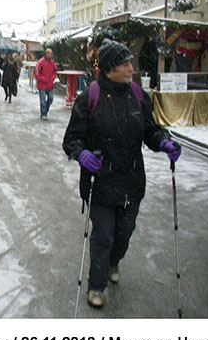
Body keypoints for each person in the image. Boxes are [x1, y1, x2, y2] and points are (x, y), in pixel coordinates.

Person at [62, 39, 182, 309]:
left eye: (130, 62)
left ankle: (114, 261)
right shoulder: (90, 97)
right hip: (100, 180)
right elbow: (72, 138)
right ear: (109, 68)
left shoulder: (138, 95)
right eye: (125, 63)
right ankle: (96, 286)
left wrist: (163, 141)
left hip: (131, 180)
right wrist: (81, 154)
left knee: (124, 233)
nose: (131, 68)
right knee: (103, 233)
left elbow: (150, 130)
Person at [34, 48, 58, 120]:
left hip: (50, 84)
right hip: (42, 84)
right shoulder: (41, 62)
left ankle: (45, 111)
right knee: (43, 100)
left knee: (51, 98)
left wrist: (52, 78)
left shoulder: (52, 63)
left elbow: (55, 70)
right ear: (47, 54)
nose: (52, 55)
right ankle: (43, 113)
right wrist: (42, 79)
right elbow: (36, 73)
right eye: (50, 53)